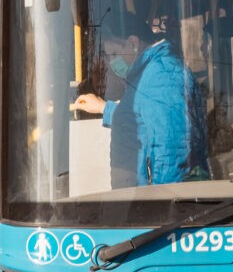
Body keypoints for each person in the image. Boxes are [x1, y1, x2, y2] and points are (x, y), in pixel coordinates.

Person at [73, 15, 208, 188]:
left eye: (114, 53)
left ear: (133, 43)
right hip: (142, 202)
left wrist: (165, 206)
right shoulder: (149, 74)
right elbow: (143, 117)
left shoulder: (161, 74)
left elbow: (173, 153)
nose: (112, 63)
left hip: (155, 205)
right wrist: (105, 108)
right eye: (108, 57)